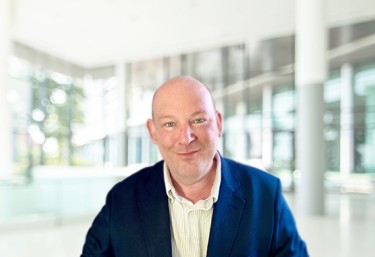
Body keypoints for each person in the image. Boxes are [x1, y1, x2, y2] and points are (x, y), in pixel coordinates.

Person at [81, 76, 309, 257]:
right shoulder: (122, 199)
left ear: (218, 123)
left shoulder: (266, 195)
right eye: (170, 124)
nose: (186, 138)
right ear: (153, 132)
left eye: (198, 120)